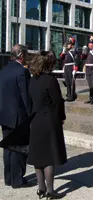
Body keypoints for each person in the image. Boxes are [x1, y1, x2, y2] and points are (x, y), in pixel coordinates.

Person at [28, 51, 67, 199]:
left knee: (38, 156)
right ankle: (50, 191)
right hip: (50, 120)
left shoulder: (32, 80)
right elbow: (58, 102)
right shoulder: (50, 80)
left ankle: (41, 189)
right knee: (50, 156)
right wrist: (62, 117)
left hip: (35, 119)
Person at [0, 44, 32, 188]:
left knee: (8, 148)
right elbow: (26, 97)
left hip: (4, 116)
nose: (27, 57)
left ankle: (8, 178)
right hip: (18, 117)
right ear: (21, 55)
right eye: (26, 54)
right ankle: (17, 179)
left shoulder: (3, 71)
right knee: (19, 149)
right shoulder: (22, 72)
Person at [60, 37, 79, 101]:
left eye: (69, 44)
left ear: (72, 45)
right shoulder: (66, 52)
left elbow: (76, 62)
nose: (67, 45)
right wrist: (63, 52)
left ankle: (72, 96)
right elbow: (61, 58)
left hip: (71, 68)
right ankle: (68, 95)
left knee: (71, 83)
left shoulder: (74, 52)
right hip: (66, 68)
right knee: (67, 82)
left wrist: (75, 70)